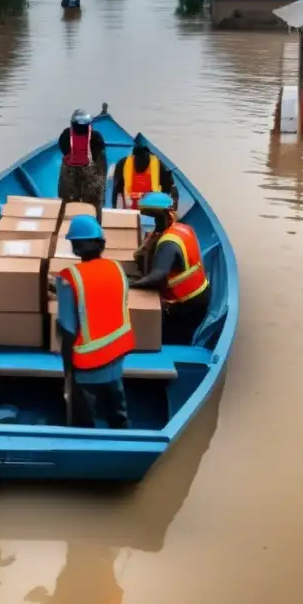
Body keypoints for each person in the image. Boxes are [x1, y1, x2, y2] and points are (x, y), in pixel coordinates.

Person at [55, 215, 134, 429]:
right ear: (101, 243)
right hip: (118, 353)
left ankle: (85, 440)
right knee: (116, 404)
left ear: (74, 246)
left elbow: (67, 329)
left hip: (88, 363)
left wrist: (67, 369)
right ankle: (122, 432)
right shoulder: (117, 269)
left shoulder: (68, 278)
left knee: (83, 413)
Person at [130, 193, 211, 346]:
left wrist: (129, 285)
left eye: (155, 217)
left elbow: (157, 277)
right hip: (199, 294)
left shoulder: (168, 243)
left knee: (169, 337)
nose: (154, 222)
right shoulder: (182, 228)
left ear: (164, 216)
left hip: (187, 306)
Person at [57, 109, 107, 217]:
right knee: (96, 203)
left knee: (66, 201)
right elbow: (101, 160)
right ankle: (97, 224)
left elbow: (64, 150)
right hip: (90, 175)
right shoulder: (96, 137)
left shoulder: (66, 134)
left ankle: (64, 222)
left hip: (69, 175)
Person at [112, 135, 177, 210]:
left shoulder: (160, 166)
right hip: (130, 211)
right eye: (138, 155)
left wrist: (170, 209)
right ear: (134, 155)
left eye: (143, 154)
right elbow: (116, 194)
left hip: (153, 211)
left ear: (148, 154)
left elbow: (170, 189)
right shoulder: (122, 165)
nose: (140, 159)